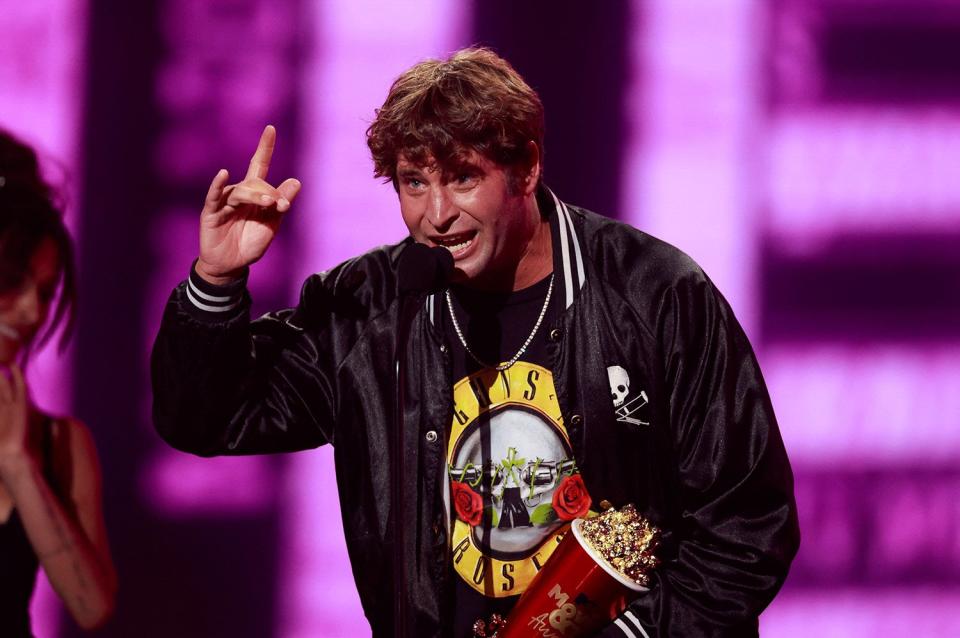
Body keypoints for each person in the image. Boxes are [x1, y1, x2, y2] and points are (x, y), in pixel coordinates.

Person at [152, 48, 799, 637]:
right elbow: (206, 418)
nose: (435, 215)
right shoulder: (373, 308)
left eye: (462, 177)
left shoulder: (655, 295)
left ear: (526, 167)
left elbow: (748, 523)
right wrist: (217, 279)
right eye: (413, 183)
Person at [0, 130, 117, 635]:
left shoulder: (57, 443)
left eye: (46, 292)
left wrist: (18, 466)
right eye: (11, 281)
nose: (31, 311)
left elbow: (91, 606)